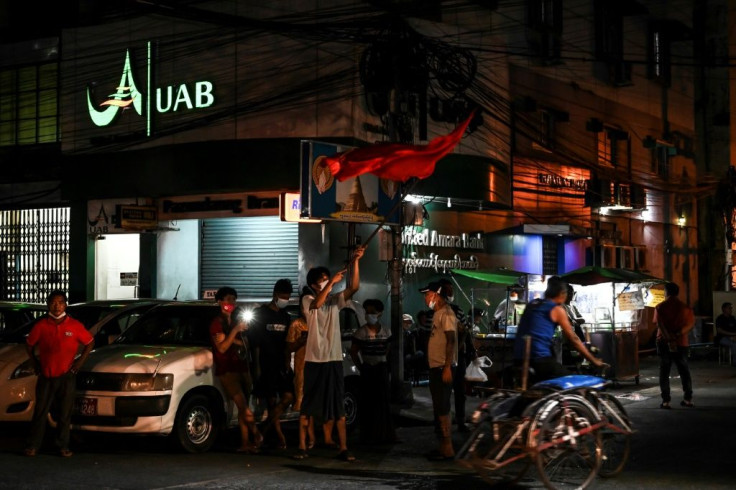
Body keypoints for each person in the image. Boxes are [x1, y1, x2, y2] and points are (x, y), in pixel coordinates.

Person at [294, 245, 365, 462]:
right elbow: (317, 303)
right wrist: (332, 283)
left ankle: (343, 447)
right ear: (315, 284)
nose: (326, 280)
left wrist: (356, 261)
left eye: (327, 278)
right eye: (323, 279)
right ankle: (303, 446)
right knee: (307, 406)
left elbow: (353, 287)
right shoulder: (308, 300)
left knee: (337, 404)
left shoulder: (335, 301)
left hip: (333, 359)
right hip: (315, 359)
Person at [24, 290, 94, 458]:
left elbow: (89, 343)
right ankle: (33, 446)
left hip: (66, 376)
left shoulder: (75, 325)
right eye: (53, 303)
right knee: (40, 412)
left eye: (60, 302)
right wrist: (35, 363)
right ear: (49, 304)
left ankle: (63, 446)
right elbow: (29, 344)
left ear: (65, 305)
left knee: (64, 413)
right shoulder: (41, 326)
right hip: (46, 376)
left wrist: (79, 362)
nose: (57, 306)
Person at [512, 277, 605, 383]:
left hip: (519, 359)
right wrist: (593, 360)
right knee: (573, 384)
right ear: (562, 294)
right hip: (540, 360)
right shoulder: (557, 309)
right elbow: (573, 339)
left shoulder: (532, 304)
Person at [210, 286, 262, 453]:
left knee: (243, 407)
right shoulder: (217, 324)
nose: (231, 302)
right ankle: (257, 434)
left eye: (233, 299)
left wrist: (235, 336)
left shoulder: (236, 321)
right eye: (227, 299)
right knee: (242, 405)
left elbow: (244, 344)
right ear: (219, 301)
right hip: (227, 370)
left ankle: (245, 443)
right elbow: (222, 348)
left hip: (242, 367)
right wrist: (234, 332)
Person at [248, 279, 295, 450]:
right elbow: (255, 344)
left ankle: (263, 431)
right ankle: (275, 436)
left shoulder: (285, 316)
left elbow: (288, 343)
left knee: (288, 397)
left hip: (281, 364)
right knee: (271, 402)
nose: (285, 300)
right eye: (283, 296)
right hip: (265, 364)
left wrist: (287, 362)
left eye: (288, 297)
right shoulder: (261, 314)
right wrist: (257, 369)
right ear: (275, 295)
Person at [349, 298, 397, 444]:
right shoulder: (360, 332)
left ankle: (384, 434)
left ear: (380, 313)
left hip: (381, 369)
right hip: (368, 369)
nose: (369, 315)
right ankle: (369, 435)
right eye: (367, 312)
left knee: (383, 402)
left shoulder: (386, 331)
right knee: (369, 403)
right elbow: (353, 351)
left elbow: (388, 350)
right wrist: (361, 366)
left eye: (373, 312)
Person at [419, 281, 457, 461]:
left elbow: (451, 340)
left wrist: (448, 366)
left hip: (443, 367)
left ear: (436, 295)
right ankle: (443, 447)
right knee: (438, 407)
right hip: (437, 367)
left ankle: (448, 448)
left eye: (428, 294)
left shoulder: (447, 314)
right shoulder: (438, 314)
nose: (426, 298)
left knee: (442, 408)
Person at [438, 278, 476, 433]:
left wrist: (466, 350)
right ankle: (441, 425)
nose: (450, 293)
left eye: (451, 290)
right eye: (447, 290)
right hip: (440, 358)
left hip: (458, 357)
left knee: (459, 392)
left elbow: (465, 331)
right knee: (442, 394)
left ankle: (460, 421)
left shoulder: (457, 310)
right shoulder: (434, 312)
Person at [654, 282, 695, 409]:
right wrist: (677, 335)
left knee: (664, 371)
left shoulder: (660, 307)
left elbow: (659, 324)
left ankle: (666, 401)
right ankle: (687, 399)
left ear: (666, 292)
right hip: (681, 342)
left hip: (664, 342)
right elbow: (690, 325)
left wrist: (668, 338)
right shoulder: (685, 307)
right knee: (684, 370)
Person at [285, 312, 316, 448]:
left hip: (316, 365)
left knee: (311, 405)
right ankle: (304, 441)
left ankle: (310, 437)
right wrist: (301, 341)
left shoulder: (318, 321)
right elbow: (289, 347)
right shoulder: (296, 325)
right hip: (301, 368)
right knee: (303, 406)